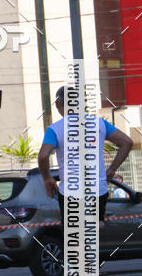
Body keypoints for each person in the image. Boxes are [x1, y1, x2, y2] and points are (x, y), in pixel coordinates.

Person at [38, 86, 133, 228]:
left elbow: (43, 156)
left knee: (73, 234)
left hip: (71, 192)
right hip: (97, 190)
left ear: (58, 104)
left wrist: (47, 178)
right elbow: (127, 142)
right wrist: (112, 169)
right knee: (94, 228)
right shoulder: (100, 123)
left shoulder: (55, 129)